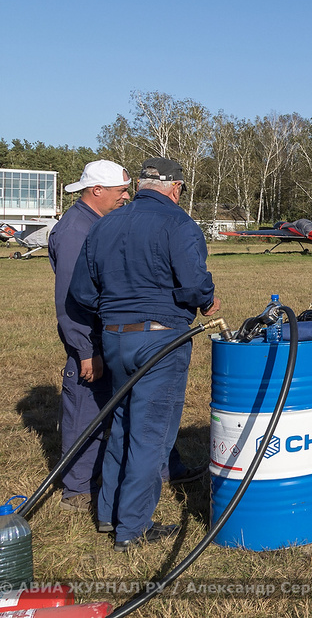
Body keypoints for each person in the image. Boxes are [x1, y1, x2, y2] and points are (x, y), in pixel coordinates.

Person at [70, 158, 220, 552]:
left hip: (114, 339)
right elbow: (193, 286)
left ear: (138, 186)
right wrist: (205, 298)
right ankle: (132, 528)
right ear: (176, 188)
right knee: (151, 435)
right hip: (160, 342)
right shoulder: (180, 224)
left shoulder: (103, 224)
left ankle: (107, 514)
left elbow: (83, 294)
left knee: (121, 423)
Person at [48, 160, 131, 514]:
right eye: (120, 191)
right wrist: (85, 350)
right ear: (96, 190)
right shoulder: (74, 231)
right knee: (85, 412)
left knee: (105, 408)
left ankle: (98, 476)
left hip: (105, 336)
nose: (126, 197)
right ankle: (77, 490)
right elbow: (70, 298)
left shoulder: (95, 224)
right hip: (90, 340)